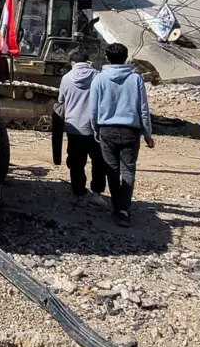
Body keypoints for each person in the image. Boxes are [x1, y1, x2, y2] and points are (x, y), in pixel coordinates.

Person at [89, 43, 154, 226]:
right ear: (125, 57)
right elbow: (143, 108)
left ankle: (116, 205)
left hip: (106, 130)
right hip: (130, 131)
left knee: (112, 170)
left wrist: (96, 129)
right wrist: (147, 132)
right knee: (128, 170)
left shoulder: (99, 79)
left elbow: (93, 109)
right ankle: (122, 209)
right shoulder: (135, 79)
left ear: (107, 58)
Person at [56, 48, 108, 207]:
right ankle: (97, 193)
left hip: (74, 127)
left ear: (72, 62)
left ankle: (79, 194)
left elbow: (61, 99)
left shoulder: (66, 78)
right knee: (99, 161)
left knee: (77, 162)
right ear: (87, 60)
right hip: (95, 127)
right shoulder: (98, 76)